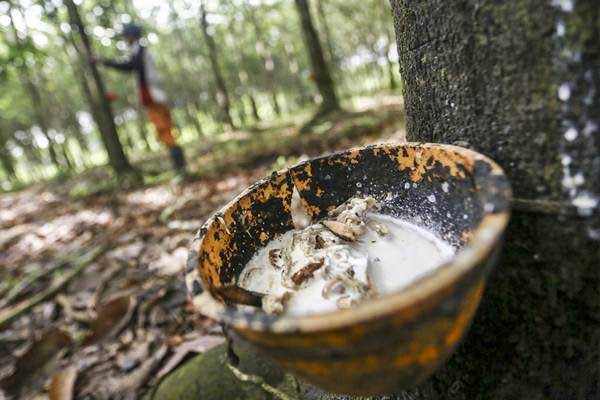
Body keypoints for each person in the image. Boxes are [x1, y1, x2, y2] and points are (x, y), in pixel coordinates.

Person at [94, 23, 186, 172]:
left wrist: (105, 62)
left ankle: (180, 167)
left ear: (133, 36)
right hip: (154, 95)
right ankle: (180, 165)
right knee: (164, 129)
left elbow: (129, 66)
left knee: (164, 129)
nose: (125, 39)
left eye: (127, 36)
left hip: (152, 95)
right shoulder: (139, 51)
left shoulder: (141, 51)